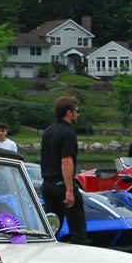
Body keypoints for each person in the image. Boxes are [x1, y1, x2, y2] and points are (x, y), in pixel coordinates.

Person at [40, 96, 87, 244]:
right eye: (77, 111)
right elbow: (66, 161)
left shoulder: (48, 131)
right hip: (62, 184)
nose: (78, 114)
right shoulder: (68, 133)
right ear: (69, 112)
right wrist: (70, 190)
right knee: (78, 227)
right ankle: (80, 261)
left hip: (47, 185)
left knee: (52, 227)